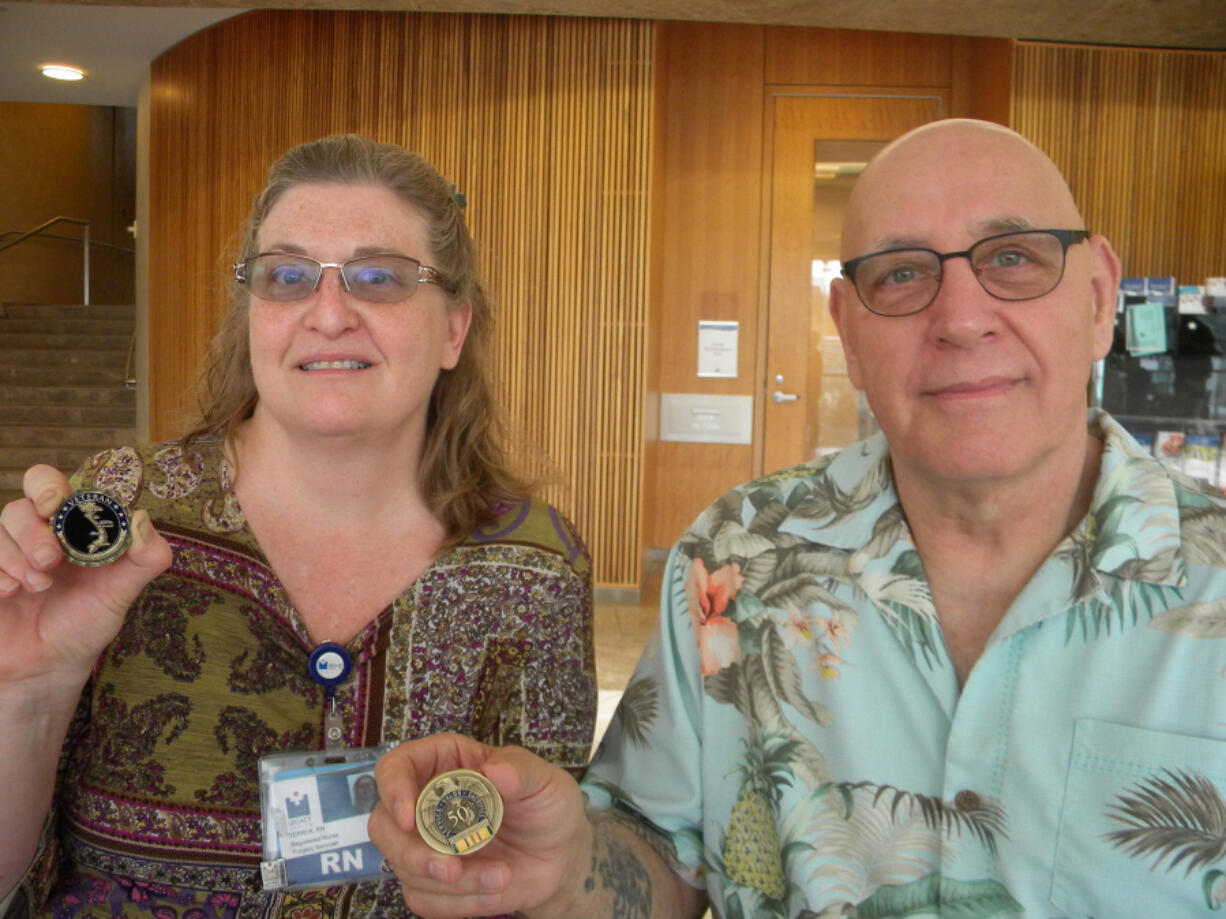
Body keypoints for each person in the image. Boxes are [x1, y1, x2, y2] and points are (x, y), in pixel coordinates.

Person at [367, 118, 1226, 918]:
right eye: (901, 273)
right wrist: (567, 866)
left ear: (1100, 294)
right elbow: (662, 854)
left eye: (1013, 258)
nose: (962, 319)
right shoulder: (735, 560)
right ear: (848, 332)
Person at [0, 134, 596, 918]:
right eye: (287, 276)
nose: (328, 313)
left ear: (454, 329)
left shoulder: (534, 567)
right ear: (254, 312)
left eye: (378, 277)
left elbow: (537, 877)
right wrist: (26, 688)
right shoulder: (119, 514)